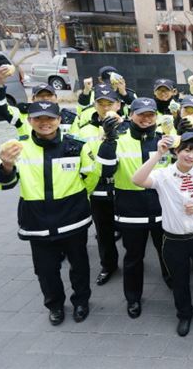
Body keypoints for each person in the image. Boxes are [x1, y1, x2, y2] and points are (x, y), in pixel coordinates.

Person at [0, 101, 92, 325]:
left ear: (58, 120)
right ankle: (55, 305)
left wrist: (77, 201)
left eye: (50, 118)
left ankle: (81, 301)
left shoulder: (76, 145)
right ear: (30, 121)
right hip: (37, 221)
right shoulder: (16, 147)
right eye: (38, 118)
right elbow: (0, 184)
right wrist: (7, 166)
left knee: (79, 264)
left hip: (72, 219)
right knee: (46, 270)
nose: (44, 123)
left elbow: (90, 177)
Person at [132, 132, 193, 336]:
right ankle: (185, 314)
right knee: (179, 280)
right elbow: (137, 180)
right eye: (187, 150)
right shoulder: (163, 175)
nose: (191, 155)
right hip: (173, 239)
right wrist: (157, 154)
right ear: (177, 151)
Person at [96, 97, 171, 319]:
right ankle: (133, 298)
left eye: (151, 115)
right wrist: (108, 140)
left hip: (161, 208)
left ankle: (171, 280)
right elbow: (106, 172)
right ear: (131, 116)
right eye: (142, 114)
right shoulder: (118, 140)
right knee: (133, 258)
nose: (147, 119)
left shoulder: (163, 140)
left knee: (166, 251)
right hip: (131, 211)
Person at [74, 84, 129, 286]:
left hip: (123, 188)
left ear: (119, 104)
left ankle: (137, 265)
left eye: (110, 103)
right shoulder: (84, 128)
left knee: (133, 234)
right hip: (98, 189)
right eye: (101, 103)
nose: (106, 108)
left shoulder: (129, 127)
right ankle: (109, 265)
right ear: (95, 105)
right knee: (104, 232)